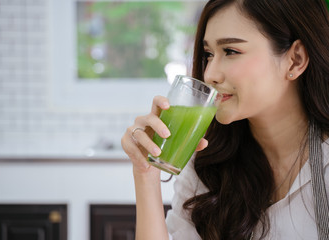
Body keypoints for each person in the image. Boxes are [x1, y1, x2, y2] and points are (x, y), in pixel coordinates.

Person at [121, 0, 329, 239]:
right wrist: (145, 173)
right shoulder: (206, 162)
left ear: (296, 59)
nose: (209, 74)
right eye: (208, 54)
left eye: (231, 51)